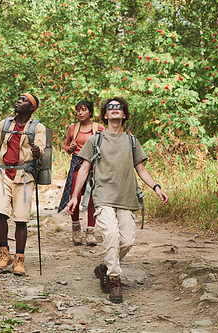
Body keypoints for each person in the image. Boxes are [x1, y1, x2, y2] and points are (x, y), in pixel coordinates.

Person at [67, 97, 168, 303]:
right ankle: (114, 280)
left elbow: (140, 169)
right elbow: (84, 168)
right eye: (110, 107)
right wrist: (74, 197)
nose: (114, 109)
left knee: (127, 240)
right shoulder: (95, 140)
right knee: (111, 234)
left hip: (126, 197)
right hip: (103, 196)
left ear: (124, 114)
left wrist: (156, 187)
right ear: (105, 114)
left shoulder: (131, 141)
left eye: (118, 107)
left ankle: (104, 268)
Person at [0, 93, 45, 276]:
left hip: (24, 174)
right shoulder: (5, 124)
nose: (18, 101)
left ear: (31, 108)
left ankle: (19, 258)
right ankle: (4, 253)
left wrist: (37, 152)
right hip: (3, 172)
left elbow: (41, 149)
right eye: (18, 99)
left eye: (23, 100)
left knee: (21, 218)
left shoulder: (38, 127)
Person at [58, 100, 104, 246]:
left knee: (93, 198)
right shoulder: (73, 128)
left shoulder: (99, 128)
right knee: (75, 195)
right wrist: (70, 147)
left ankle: (91, 231)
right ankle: (76, 228)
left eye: (84, 110)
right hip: (77, 164)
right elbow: (66, 147)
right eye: (78, 110)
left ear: (90, 112)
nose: (80, 113)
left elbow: (105, 146)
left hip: (95, 165)